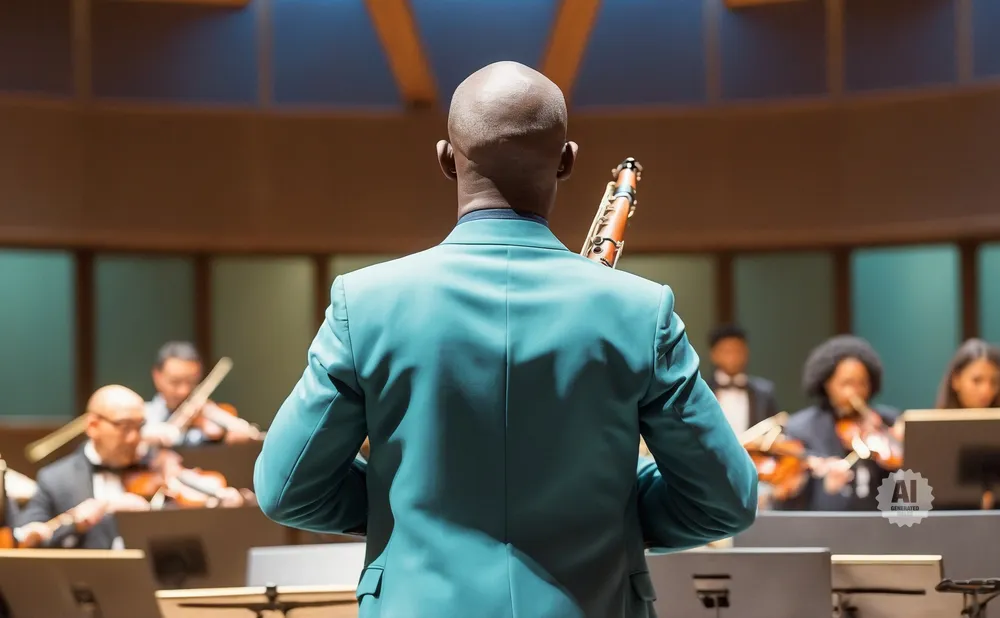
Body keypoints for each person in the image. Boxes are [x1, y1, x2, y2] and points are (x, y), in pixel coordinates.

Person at [254, 61, 757, 617]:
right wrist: (617, 498)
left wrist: (399, 503)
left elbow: (288, 488)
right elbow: (724, 501)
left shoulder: (366, 302)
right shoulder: (641, 311)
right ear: (567, 161)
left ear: (447, 160)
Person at [17, 385, 245, 550]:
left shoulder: (157, 466)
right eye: (125, 427)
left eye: (140, 426)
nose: (134, 438)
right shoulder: (56, 479)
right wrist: (77, 522)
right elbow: (28, 540)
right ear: (93, 426)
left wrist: (220, 503)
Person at [774, 335, 901, 511]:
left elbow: (910, 498)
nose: (854, 393)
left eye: (862, 384)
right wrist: (829, 488)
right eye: (846, 384)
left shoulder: (888, 420)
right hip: (824, 529)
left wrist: (901, 446)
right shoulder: (802, 428)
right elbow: (789, 503)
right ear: (827, 384)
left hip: (884, 526)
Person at [144, 341, 256, 447]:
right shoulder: (143, 416)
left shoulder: (205, 416)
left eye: (192, 383)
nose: (184, 391)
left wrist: (221, 436)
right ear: (157, 376)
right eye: (175, 382)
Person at [705, 324, 780, 435]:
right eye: (726, 351)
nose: (732, 357)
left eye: (737, 350)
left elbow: (774, 431)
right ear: (713, 354)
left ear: (746, 352)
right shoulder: (701, 390)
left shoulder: (764, 391)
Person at [936, 338, 1000, 409]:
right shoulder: (933, 419)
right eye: (977, 380)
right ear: (956, 379)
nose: (986, 391)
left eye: (994, 382)